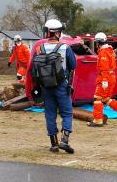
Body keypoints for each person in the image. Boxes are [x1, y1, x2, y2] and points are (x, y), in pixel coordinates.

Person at [35, 19, 76, 154]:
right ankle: (65, 140)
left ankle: (54, 144)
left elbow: (33, 69)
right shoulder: (66, 47)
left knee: (50, 114)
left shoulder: (39, 48)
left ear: (47, 32)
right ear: (59, 33)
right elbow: (73, 66)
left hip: (46, 86)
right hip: (61, 85)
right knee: (67, 113)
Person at [87, 32, 117, 127]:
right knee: (106, 98)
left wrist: (104, 80)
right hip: (111, 77)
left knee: (97, 98)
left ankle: (98, 120)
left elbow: (104, 68)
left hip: (105, 77)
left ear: (98, 42)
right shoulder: (110, 50)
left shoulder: (103, 52)